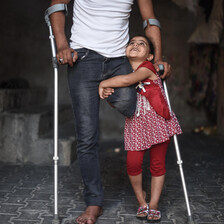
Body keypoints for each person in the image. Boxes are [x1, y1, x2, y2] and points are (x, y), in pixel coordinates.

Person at [49, 0, 171, 223]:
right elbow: (56, 5)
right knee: (87, 137)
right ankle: (94, 202)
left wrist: (158, 57)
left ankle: (103, 89)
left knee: (129, 104)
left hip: (118, 60)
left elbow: (150, 20)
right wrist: (62, 45)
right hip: (83, 58)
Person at [99, 35, 182, 222]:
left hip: (158, 122)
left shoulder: (147, 68)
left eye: (141, 44)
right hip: (135, 125)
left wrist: (103, 83)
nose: (135, 45)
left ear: (150, 56)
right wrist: (109, 95)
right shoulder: (121, 74)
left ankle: (153, 204)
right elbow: (120, 102)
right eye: (132, 43)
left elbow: (128, 80)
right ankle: (141, 200)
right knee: (133, 164)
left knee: (157, 164)